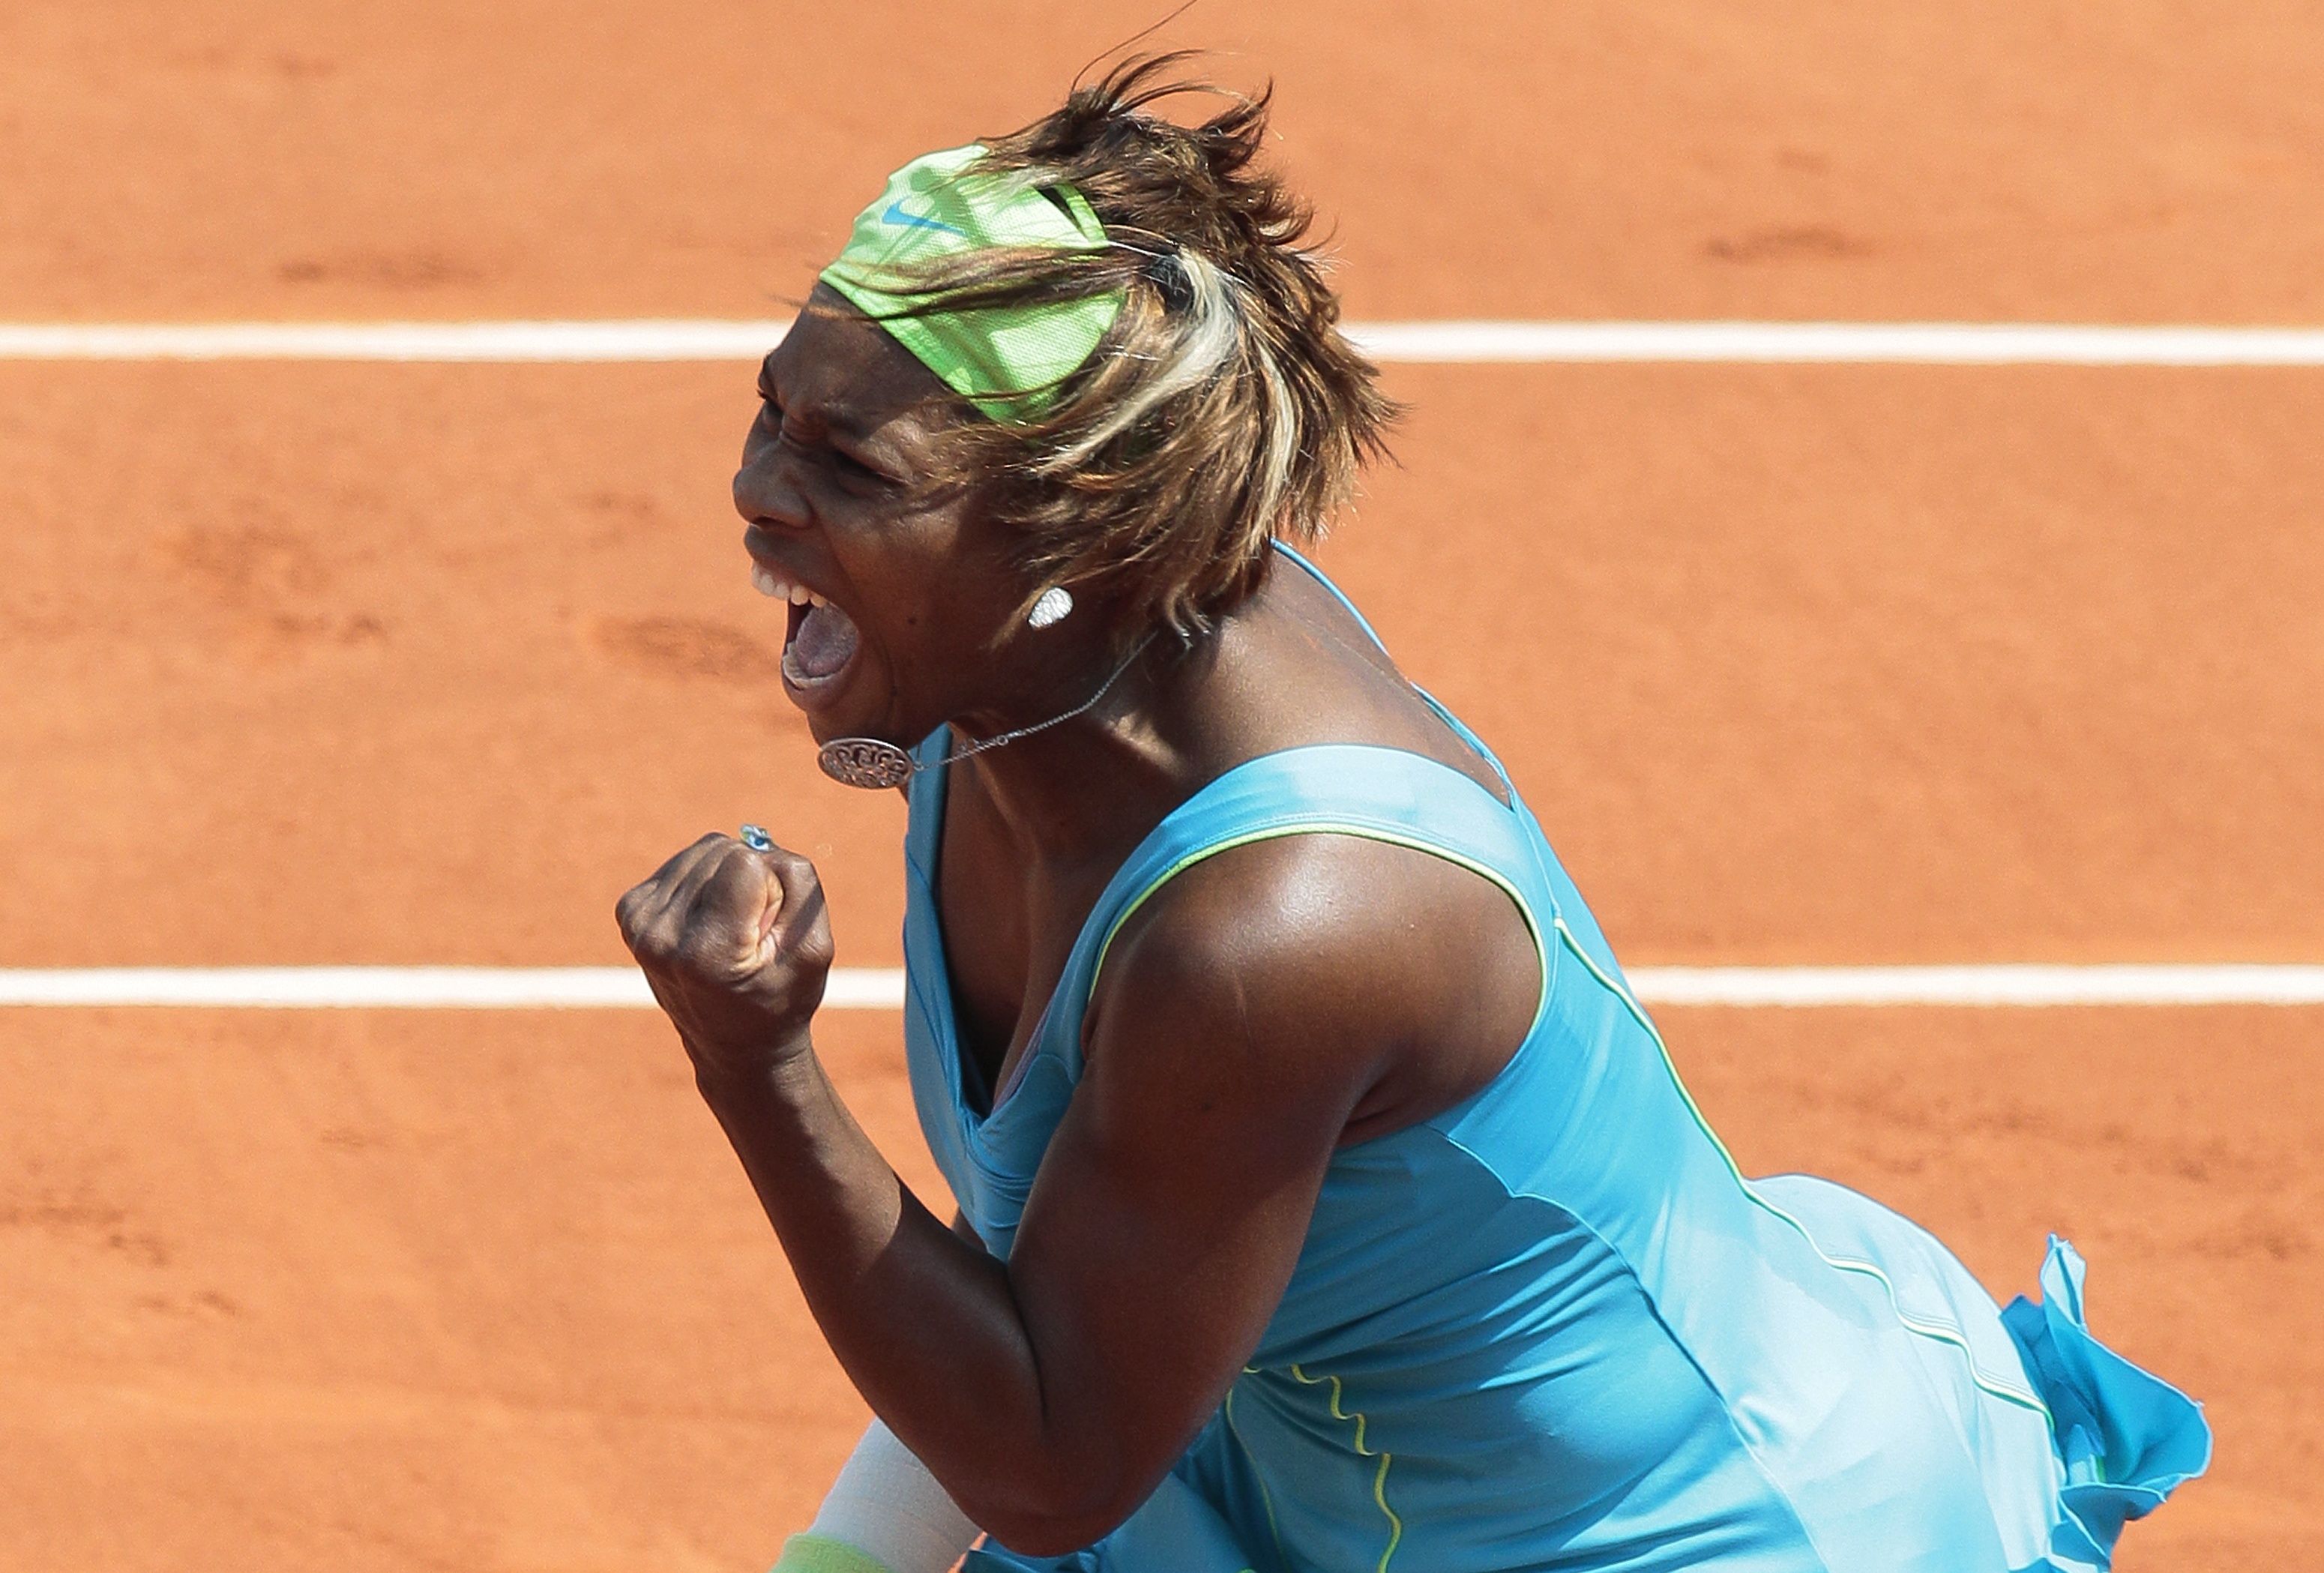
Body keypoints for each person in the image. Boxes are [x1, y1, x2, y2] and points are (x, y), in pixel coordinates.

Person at [615, 57, 2209, 1573]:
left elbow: (1051, 1461)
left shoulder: (1280, 927)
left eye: (851, 461)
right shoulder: (1022, 684)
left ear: (1075, 532)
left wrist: (757, 1070)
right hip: (1352, 1481)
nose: (760, 489)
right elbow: (1071, 1238)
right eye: (775, 412)